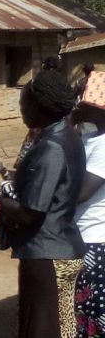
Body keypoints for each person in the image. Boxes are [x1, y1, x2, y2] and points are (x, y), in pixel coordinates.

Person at [0, 69, 85, 338]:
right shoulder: (66, 135)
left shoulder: (51, 146)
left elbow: (30, 212)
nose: (21, 110)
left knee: (46, 328)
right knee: (57, 324)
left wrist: (2, 199)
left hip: (48, 252)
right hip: (57, 246)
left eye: (24, 104)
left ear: (40, 105)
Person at [73, 72, 105, 337]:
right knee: (81, 307)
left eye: (83, 101)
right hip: (81, 233)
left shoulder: (104, 146)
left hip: (95, 236)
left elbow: (83, 192)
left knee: (93, 308)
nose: (78, 104)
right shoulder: (89, 139)